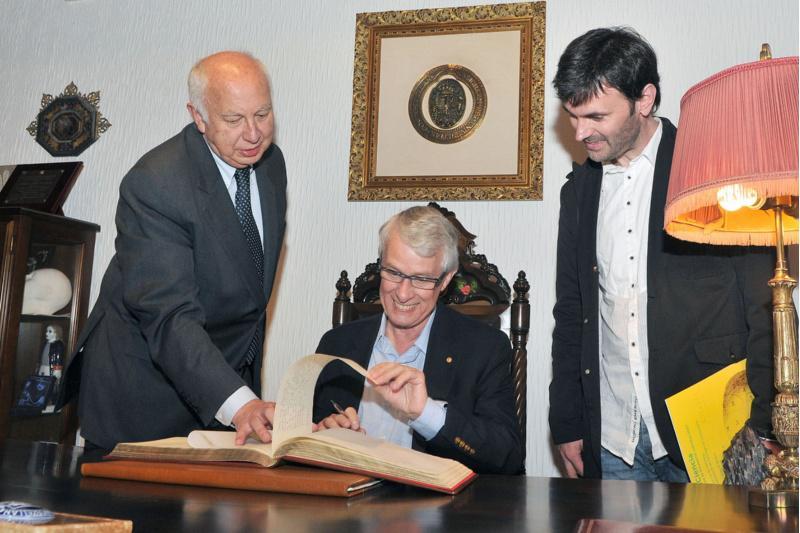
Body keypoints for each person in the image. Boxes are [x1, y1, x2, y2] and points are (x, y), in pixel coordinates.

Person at [549, 27, 774, 481]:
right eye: (573, 116)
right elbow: (572, 310)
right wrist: (567, 420)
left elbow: (766, 304)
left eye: (595, 115)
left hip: (714, 433)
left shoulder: (710, 170)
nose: (580, 132)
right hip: (613, 436)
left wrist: (768, 421)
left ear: (645, 98)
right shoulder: (579, 191)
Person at [59, 51, 286, 452]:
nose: (254, 134)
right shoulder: (156, 184)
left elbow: (248, 288)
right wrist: (239, 403)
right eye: (234, 119)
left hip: (222, 388)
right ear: (198, 117)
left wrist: (243, 395)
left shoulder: (270, 164)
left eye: (263, 114)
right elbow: (169, 315)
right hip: (144, 392)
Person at [312, 206, 524, 474]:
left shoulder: (484, 349)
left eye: (421, 279)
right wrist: (325, 434)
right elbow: (307, 436)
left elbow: (507, 456)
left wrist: (426, 414)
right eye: (393, 272)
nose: (402, 293)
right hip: (348, 506)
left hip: (435, 511)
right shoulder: (337, 344)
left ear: (445, 280)